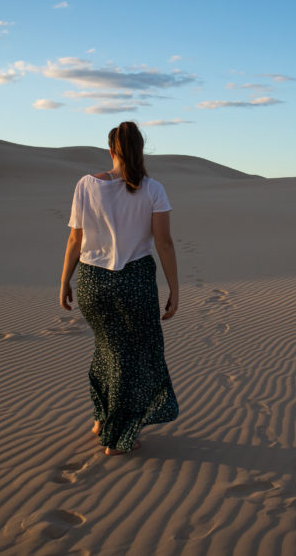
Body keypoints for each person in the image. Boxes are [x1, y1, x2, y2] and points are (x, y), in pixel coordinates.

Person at [59, 121, 179, 456]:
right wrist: (175, 289)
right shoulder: (153, 189)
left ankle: (102, 418)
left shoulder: (86, 185)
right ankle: (119, 435)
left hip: (92, 283)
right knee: (136, 358)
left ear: (111, 150)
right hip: (135, 281)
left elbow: (74, 238)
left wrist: (65, 280)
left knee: (109, 349)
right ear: (140, 149)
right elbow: (165, 243)